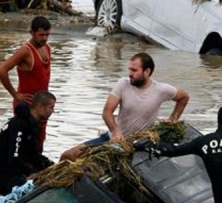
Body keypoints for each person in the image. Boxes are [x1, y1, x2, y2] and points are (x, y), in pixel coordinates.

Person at [60, 52, 190, 161]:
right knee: (68, 155)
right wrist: (115, 131)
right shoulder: (123, 83)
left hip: (137, 145)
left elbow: (184, 97)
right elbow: (107, 112)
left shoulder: (161, 90)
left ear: (147, 71)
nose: (130, 73)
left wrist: (173, 119)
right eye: (129, 69)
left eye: (134, 70)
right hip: (112, 139)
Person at [0, 16, 52, 153]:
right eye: (41, 35)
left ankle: (39, 173)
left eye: (47, 34)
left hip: (42, 106)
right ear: (32, 33)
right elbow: (2, 70)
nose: (44, 38)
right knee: (24, 145)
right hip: (26, 106)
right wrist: (15, 94)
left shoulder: (47, 48)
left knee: (40, 141)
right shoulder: (25, 51)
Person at [0, 91, 56, 195]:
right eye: (51, 107)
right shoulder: (19, 124)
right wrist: (32, 173)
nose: (53, 111)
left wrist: (50, 166)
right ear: (40, 107)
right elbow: (14, 157)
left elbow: (30, 154)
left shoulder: (32, 125)